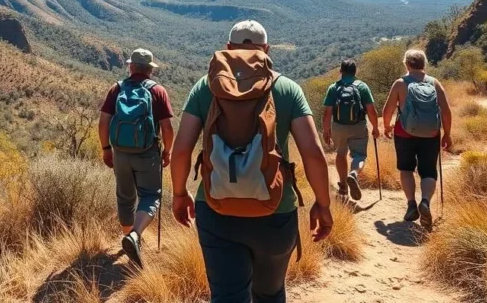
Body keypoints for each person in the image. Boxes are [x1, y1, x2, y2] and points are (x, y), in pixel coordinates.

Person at [170, 20, 332, 303]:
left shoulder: (203, 87)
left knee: (227, 296)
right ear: (267, 50)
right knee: (270, 294)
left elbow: (181, 150)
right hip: (275, 210)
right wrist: (323, 203)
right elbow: (314, 153)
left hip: (215, 207)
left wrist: (179, 194)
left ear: (228, 48)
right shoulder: (287, 89)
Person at [98, 48, 175, 268]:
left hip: (120, 152)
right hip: (147, 153)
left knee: (124, 197)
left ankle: (128, 241)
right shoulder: (157, 91)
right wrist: (167, 151)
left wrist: (106, 149)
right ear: (150, 70)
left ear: (131, 67)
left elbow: (103, 121)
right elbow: (167, 128)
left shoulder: (117, 89)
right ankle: (135, 236)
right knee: (151, 196)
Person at [381, 49, 453, 231]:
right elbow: (446, 111)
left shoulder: (400, 84)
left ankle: (412, 204)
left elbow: (388, 109)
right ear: (424, 64)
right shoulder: (434, 83)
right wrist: (447, 133)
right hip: (431, 134)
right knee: (428, 171)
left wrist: (387, 126)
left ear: (406, 64)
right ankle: (426, 202)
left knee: (406, 169)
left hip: (404, 133)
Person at [322, 59, 379, 201]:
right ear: (355, 72)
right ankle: (353, 173)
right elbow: (371, 110)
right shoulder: (362, 87)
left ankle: (343, 186)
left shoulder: (333, 88)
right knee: (359, 155)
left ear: (340, 71)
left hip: (338, 127)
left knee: (341, 154)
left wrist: (326, 130)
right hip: (358, 126)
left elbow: (327, 113)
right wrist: (376, 127)